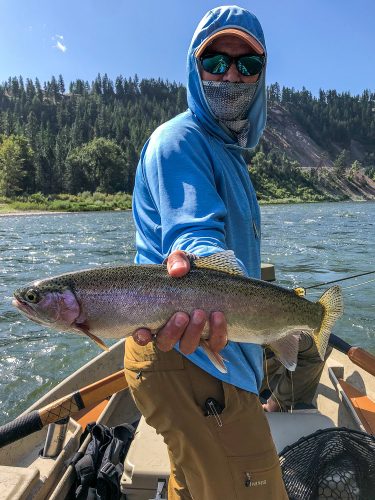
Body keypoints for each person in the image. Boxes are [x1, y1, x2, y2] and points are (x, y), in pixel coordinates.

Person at [124, 5, 288, 499]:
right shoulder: (180, 141)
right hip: (189, 354)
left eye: (247, 65)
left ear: (262, 74)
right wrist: (194, 264)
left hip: (194, 353)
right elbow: (192, 235)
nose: (231, 75)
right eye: (215, 62)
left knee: (192, 483)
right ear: (194, 69)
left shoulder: (225, 150)